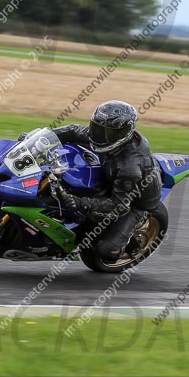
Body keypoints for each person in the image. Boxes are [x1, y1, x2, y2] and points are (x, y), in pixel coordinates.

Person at [52, 100, 162, 262]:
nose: (99, 135)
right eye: (97, 127)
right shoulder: (105, 138)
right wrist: (37, 138)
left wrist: (80, 202)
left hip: (135, 202)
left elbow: (118, 206)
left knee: (106, 251)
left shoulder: (129, 168)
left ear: (123, 133)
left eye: (107, 132)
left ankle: (129, 245)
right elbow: (73, 131)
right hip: (112, 178)